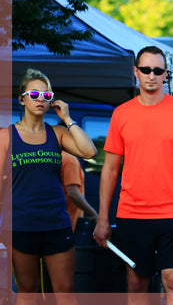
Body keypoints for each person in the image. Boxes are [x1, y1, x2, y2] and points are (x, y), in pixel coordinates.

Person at [93, 46, 173, 305]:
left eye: (157, 70)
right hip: (132, 213)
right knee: (136, 283)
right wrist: (103, 217)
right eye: (145, 70)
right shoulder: (122, 113)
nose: (151, 75)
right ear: (136, 72)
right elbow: (109, 169)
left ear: (166, 74)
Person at [0, 69, 97, 304]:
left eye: (46, 95)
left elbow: (90, 151)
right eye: (33, 94)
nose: (40, 99)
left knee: (64, 291)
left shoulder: (58, 133)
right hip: (20, 225)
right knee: (27, 290)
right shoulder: (6, 136)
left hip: (56, 224)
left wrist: (67, 118)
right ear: (21, 98)